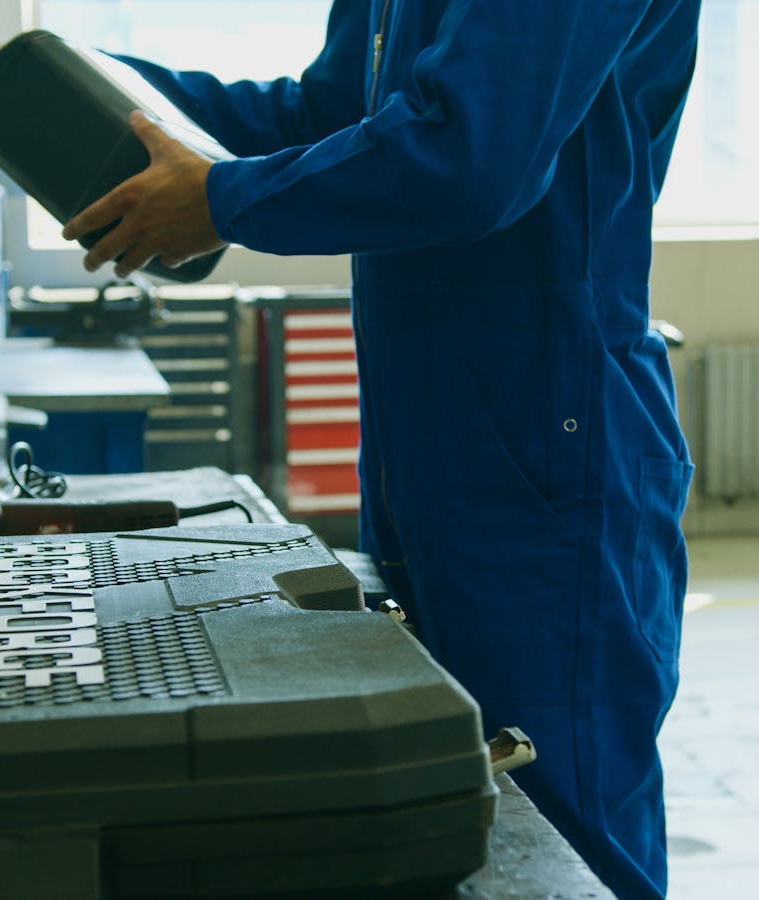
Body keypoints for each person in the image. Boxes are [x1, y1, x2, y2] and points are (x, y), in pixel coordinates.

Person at [63, 1, 700, 896]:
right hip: (433, 454)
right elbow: (326, 118)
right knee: (455, 821)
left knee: (564, 837)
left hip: (549, 458)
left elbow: (472, 159)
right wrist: (97, 90)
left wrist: (221, 200)